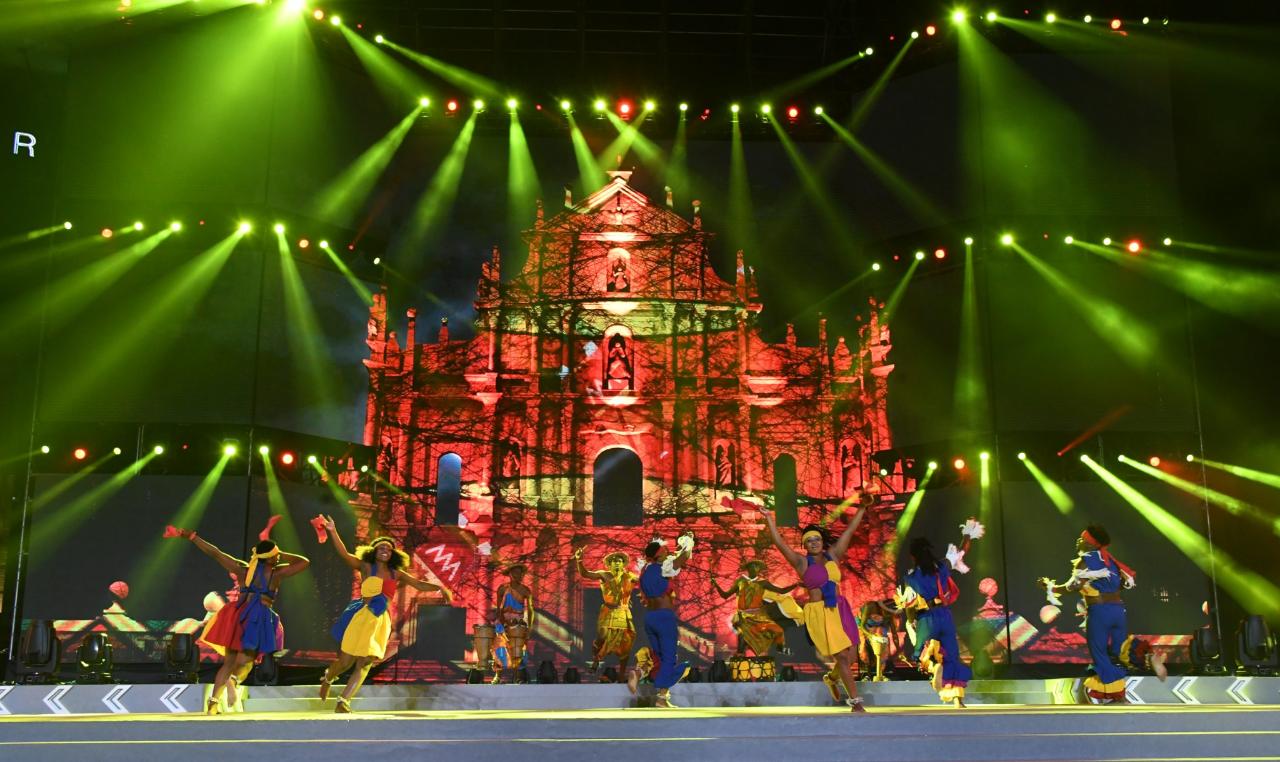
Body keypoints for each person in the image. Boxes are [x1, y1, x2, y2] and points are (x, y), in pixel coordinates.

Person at [170, 524, 309, 715]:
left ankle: (213, 704)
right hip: (257, 618)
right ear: (270, 557)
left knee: (228, 662)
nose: (277, 558)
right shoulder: (276, 573)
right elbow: (304, 562)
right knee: (248, 661)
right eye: (275, 555)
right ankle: (234, 680)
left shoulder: (243, 570)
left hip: (237, 616)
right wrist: (280, 554)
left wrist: (192, 537)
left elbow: (216, 553)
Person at [318, 517, 452, 713]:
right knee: (346, 662)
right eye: (381, 547)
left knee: (366, 662)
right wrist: (332, 530)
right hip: (361, 617)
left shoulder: (396, 573)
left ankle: (343, 702)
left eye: (388, 549)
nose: (385, 550)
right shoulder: (366, 567)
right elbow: (345, 555)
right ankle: (328, 677)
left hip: (380, 621)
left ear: (392, 555)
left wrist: (440, 588)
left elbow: (419, 584)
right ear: (373, 551)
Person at [1038, 524, 1168, 704]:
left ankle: (1118, 695)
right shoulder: (1111, 562)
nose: (1078, 541)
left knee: (1099, 653)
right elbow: (1123, 584)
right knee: (1119, 649)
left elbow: (1073, 586)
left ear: (1090, 543)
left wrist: (1051, 588)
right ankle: (1148, 656)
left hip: (1100, 611)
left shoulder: (1086, 560)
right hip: (1118, 610)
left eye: (1082, 538)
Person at [762, 507, 868, 712]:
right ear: (805, 545)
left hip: (840, 608)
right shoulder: (801, 562)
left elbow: (849, 531)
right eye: (809, 540)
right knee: (842, 656)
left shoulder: (833, 555)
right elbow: (779, 543)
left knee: (851, 657)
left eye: (817, 539)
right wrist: (768, 518)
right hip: (820, 613)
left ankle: (832, 678)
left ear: (822, 541)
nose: (814, 543)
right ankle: (856, 703)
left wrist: (862, 507)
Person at [897, 519, 984, 707]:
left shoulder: (910, 578)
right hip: (945, 615)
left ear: (913, 556)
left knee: (922, 653)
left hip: (927, 618)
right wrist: (967, 534)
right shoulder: (942, 567)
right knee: (952, 656)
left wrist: (911, 622)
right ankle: (957, 700)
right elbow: (962, 552)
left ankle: (935, 665)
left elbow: (909, 604)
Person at [628, 531, 695, 708]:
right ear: (658, 554)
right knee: (669, 659)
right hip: (664, 618)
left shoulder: (645, 570)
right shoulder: (663, 567)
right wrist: (688, 541)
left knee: (659, 658)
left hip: (650, 618)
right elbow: (683, 557)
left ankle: (639, 673)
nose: (668, 551)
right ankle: (661, 697)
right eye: (665, 550)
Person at [711, 559, 799, 658]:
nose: (755, 568)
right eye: (752, 566)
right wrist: (716, 585)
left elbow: (781, 591)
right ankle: (740, 654)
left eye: (757, 566)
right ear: (748, 568)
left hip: (758, 616)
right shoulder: (740, 581)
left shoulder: (763, 583)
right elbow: (725, 595)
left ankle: (780, 648)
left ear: (759, 569)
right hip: (743, 616)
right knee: (743, 634)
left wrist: (796, 585)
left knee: (778, 630)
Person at [574, 547, 638, 676]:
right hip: (608, 611)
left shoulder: (630, 576)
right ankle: (596, 660)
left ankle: (621, 673)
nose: (617, 563)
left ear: (623, 564)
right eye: (614, 561)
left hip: (623, 613)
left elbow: (644, 581)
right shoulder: (603, 574)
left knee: (626, 640)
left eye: (620, 561)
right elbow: (585, 574)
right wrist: (579, 560)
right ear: (609, 564)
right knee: (602, 637)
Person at [491, 564, 535, 681]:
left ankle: (517, 675)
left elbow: (531, 610)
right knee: (499, 647)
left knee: (518, 649)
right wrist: (500, 622)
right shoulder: (502, 589)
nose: (518, 575)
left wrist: (529, 628)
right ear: (510, 574)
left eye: (520, 573)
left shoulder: (525, 590)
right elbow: (499, 609)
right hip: (503, 623)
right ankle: (498, 675)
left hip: (518, 624)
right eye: (515, 572)